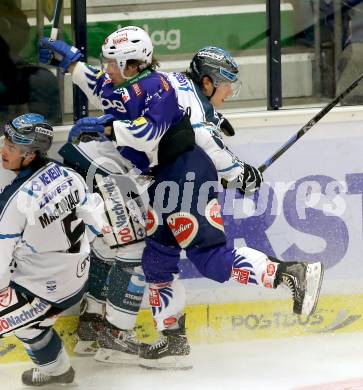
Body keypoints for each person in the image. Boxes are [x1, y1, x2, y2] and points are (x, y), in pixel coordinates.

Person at [39, 26, 324, 370]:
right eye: (225, 87)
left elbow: (106, 85)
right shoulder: (181, 98)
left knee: (208, 258)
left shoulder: (165, 81)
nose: (228, 94)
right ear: (207, 82)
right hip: (177, 176)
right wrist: (240, 173)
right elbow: (201, 136)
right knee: (158, 260)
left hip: (182, 177)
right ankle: (172, 342)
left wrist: (72, 63)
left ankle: (290, 273)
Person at [0, 113, 107, 385]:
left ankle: (55, 362)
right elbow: (96, 223)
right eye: (6, 142)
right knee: (29, 329)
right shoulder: (70, 174)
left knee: (24, 320)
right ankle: (60, 373)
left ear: (31, 154)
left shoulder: (17, 199)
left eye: (13, 148)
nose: (4, 150)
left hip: (42, 289)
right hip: (75, 277)